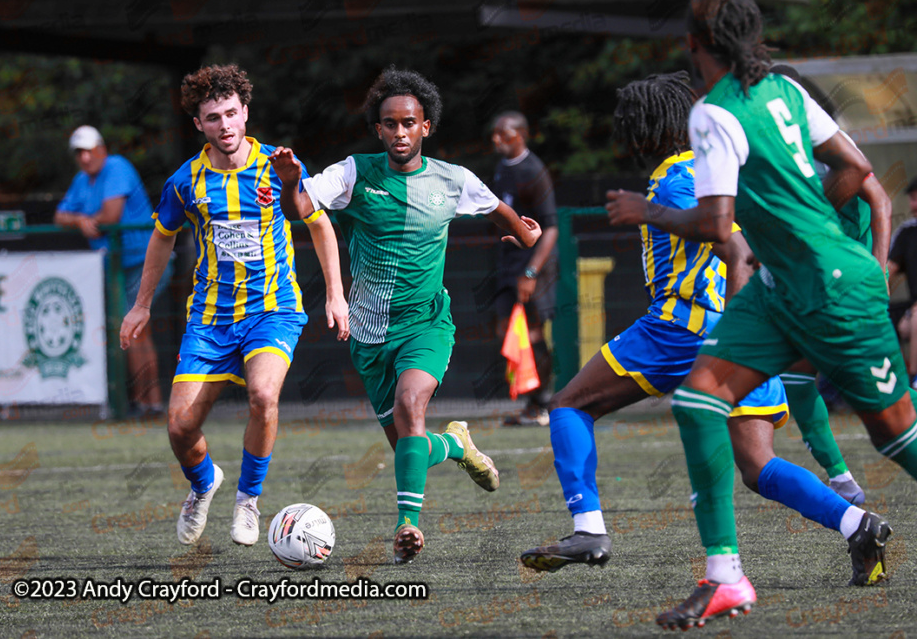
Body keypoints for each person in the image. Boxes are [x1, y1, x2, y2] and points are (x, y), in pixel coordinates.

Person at [606, 0, 914, 630]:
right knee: (697, 400)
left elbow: (718, 222)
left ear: (696, 44)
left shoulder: (713, 114)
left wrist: (648, 211)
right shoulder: (786, 92)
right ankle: (726, 580)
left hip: (829, 288)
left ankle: (742, 569)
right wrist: (800, 228)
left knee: (897, 438)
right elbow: (856, 169)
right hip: (789, 284)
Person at [522, 73, 870, 597]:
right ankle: (859, 526)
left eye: (632, 125)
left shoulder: (676, 178)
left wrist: (736, 323)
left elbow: (734, 248)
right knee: (758, 466)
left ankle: (589, 530)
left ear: (651, 128)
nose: (628, 135)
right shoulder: (720, 174)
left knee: (571, 404)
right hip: (739, 337)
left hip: (683, 330)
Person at [274, 66, 541, 564]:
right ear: (378, 129)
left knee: (410, 406)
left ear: (426, 127)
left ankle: (408, 526)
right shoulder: (354, 173)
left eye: (409, 122)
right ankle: (457, 445)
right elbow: (299, 209)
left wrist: (526, 235)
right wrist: (291, 182)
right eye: (390, 123)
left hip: (426, 322)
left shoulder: (452, 179)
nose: (400, 132)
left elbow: (500, 212)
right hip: (370, 333)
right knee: (408, 446)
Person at [119, 64, 349, 548]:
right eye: (212, 117)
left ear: (246, 113)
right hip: (209, 320)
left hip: (272, 310)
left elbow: (320, 226)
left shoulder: (279, 168)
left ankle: (248, 499)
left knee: (263, 396)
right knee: (180, 426)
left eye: (231, 113)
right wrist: (141, 304)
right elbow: (162, 240)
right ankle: (204, 483)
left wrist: (335, 294)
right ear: (198, 125)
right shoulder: (186, 182)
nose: (224, 125)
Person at [770, 63, 893, 506]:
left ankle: (841, 481)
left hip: (848, 278)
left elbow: (879, 199)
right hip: (816, 279)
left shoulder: (828, 145)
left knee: (875, 384)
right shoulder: (788, 146)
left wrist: (878, 268)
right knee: (797, 376)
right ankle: (842, 480)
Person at [55, 125, 173, 416]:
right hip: (119, 267)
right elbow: (59, 215)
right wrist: (80, 220)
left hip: (146, 263)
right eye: (78, 153)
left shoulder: (117, 166)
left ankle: (146, 402)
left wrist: (82, 220)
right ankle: (149, 403)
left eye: (88, 150)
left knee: (132, 328)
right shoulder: (82, 180)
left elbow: (111, 216)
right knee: (135, 331)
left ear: (102, 149)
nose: (84, 158)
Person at [490, 111, 559, 426]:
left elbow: (552, 228)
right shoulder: (502, 169)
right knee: (506, 331)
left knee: (532, 333)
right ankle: (529, 401)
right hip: (508, 265)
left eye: (502, 134)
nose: (496, 140)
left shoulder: (534, 170)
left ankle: (543, 404)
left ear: (519, 135)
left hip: (533, 268)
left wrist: (531, 273)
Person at [888, 178, 917, 381]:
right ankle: (898, 379)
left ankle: (914, 380)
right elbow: (888, 270)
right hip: (912, 305)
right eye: (911, 199)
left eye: (916, 199)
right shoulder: (907, 232)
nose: (912, 205)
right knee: (879, 317)